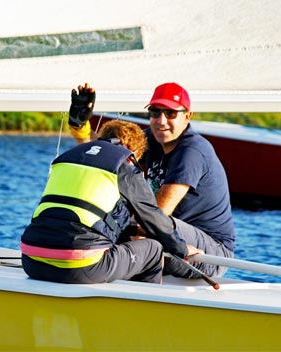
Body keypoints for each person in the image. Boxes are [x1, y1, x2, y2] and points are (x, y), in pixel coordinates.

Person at [68, 82, 235, 278]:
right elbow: (105, 155)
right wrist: (79, 126)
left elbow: (157, 215)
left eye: (170, 114)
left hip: (210, 254)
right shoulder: (152, 140)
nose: (161, 121)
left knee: (145, 221)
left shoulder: (192, 151)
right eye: (155, 112)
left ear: (187, 116)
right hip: (170, 238)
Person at [21, 119, 202, 284]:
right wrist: (181, 249)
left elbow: (84, 215)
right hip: (79, 267)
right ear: (134, 152)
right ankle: (142, 315)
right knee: (153, 250)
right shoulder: (124, 166)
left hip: (31, 260)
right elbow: (153, 218)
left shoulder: (67, 158)